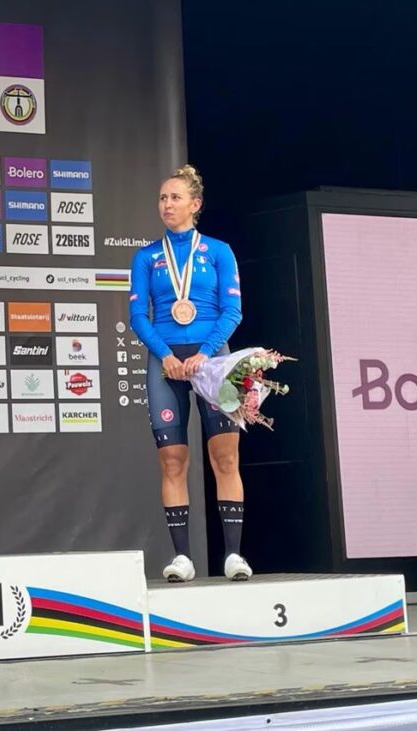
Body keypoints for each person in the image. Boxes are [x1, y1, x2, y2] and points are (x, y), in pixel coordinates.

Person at [128, 164, 250, 582]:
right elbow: (137, 315)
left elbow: (232, 311)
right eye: (162, 198)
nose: (167, 204)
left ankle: (233, 555)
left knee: (226, 456)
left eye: (175, 197)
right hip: (165, 362)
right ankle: (182, 557)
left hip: (212, 359)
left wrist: (204, 353)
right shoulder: (146, 257)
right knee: (172, 460)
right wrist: (165, 354)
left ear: (195, 204)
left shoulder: (219, 251)